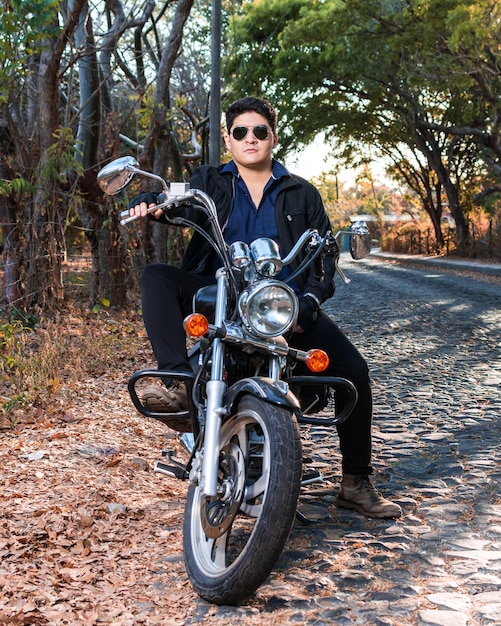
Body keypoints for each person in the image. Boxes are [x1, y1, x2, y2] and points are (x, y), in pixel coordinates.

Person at [129, 96, 401, 519]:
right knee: (155, 277)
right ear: (228, 138)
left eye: (259, 131)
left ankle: (356, 483)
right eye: (241, 132)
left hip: (281, 306)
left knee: (355, 371)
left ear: (273, 136)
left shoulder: (301, 193)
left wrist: (308, 304)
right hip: (219, 294)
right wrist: (152, 199)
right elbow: (173, 199)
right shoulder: (209, 181)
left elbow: (324, 257)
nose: (250, 138)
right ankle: (179, 382)